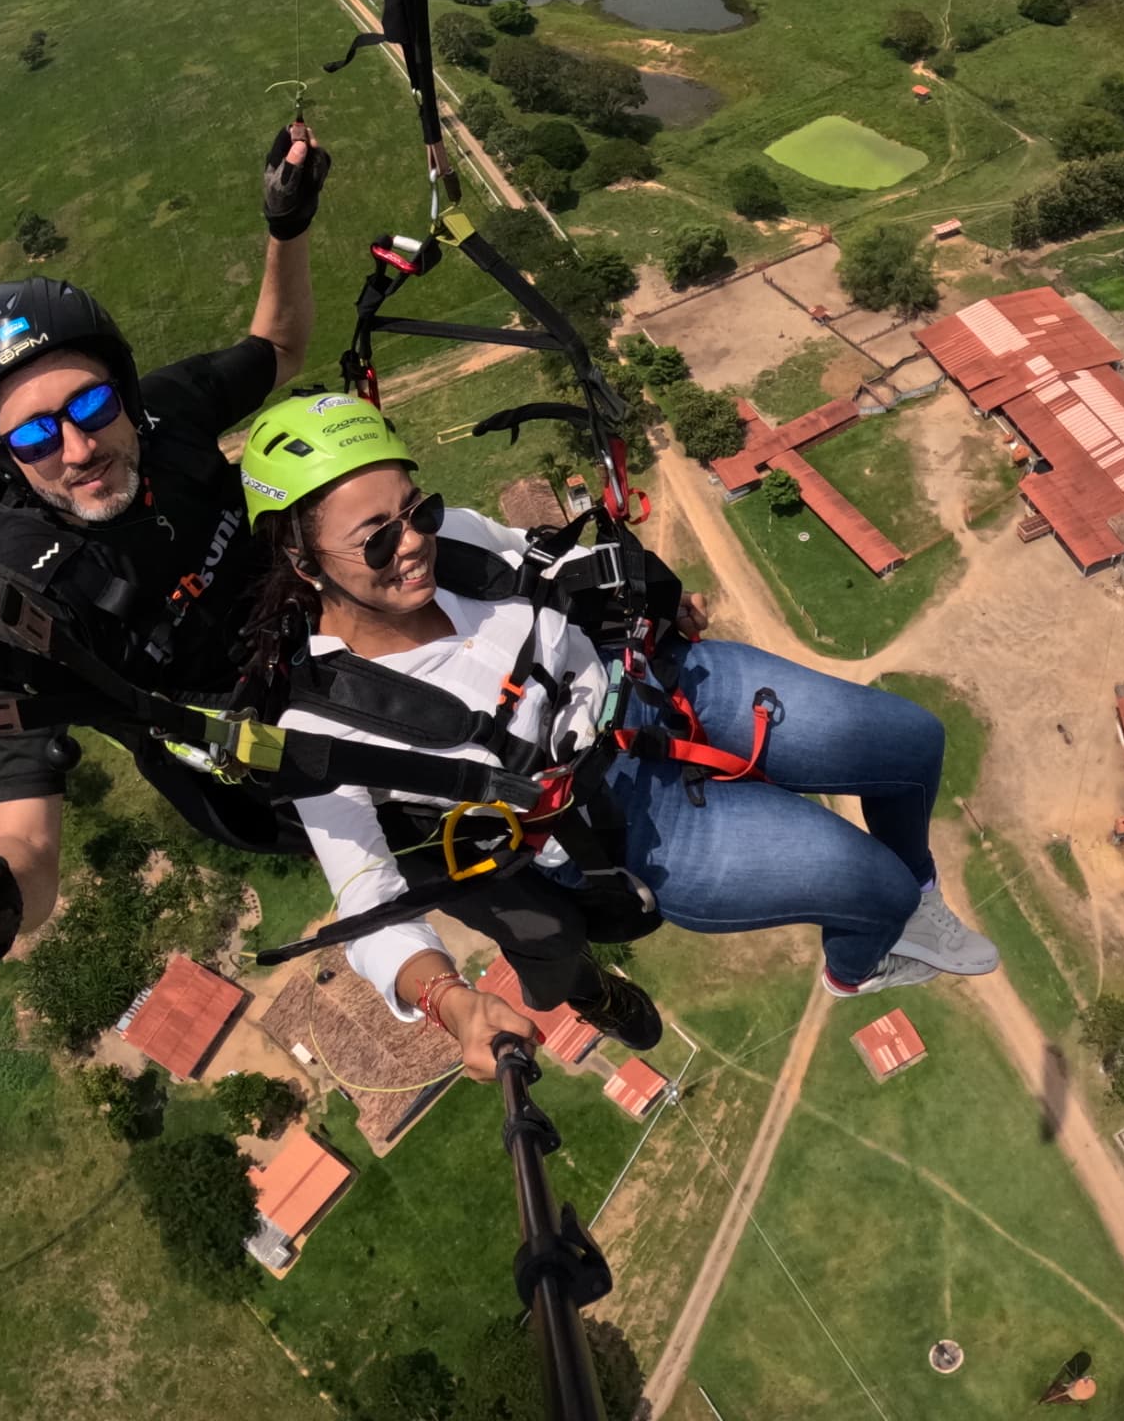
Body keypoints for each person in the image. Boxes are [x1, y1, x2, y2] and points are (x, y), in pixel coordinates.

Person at [237, 392, 998, 1080]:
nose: (412, 543)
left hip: (660, 686)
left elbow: (549, 565)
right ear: (303, 561)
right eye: (376, 538)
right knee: (875, 889)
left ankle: (916, 898)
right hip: (628, 824)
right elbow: (368, 903)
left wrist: (652, 596)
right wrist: (450, 1001)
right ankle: (860, 962)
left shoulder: (457, 541)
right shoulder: (324, 724)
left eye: (417, 510)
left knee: (914, 742)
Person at [0, 123, 329, 975]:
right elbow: (28, 837)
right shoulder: (29, 604)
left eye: (92, 407)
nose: (77, 448)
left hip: (339, 641)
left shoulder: (168, 413)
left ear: (126, 394)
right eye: (34, 435)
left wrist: (286, 227)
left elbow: (278, 349)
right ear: (6, 462)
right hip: (269, 773)